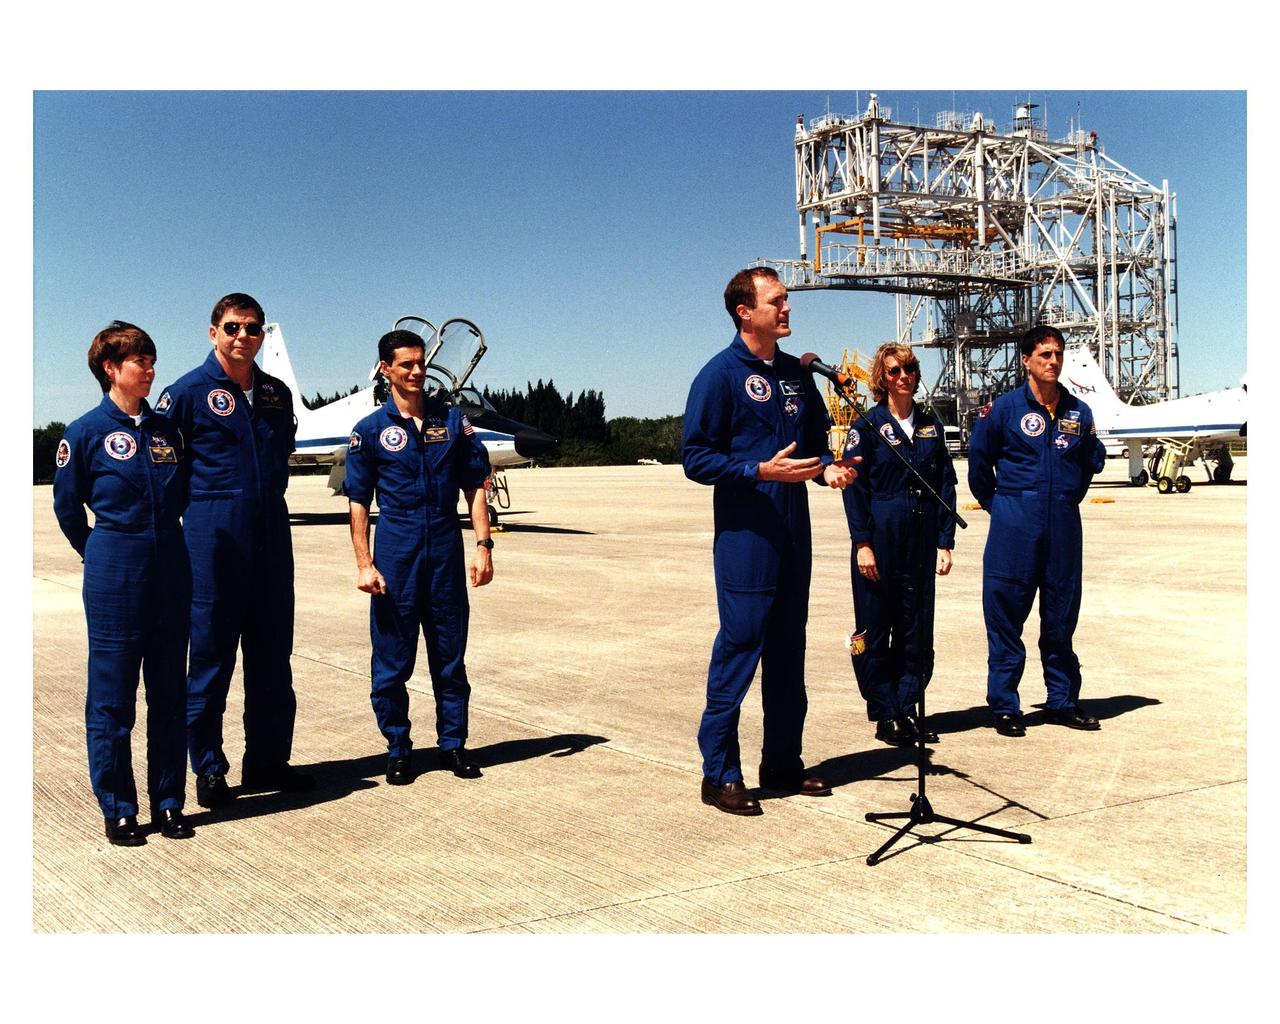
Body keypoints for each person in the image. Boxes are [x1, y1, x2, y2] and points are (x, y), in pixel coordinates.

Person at [682, 266, 857, 816]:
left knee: (789, 651)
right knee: (740, 648)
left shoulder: (793, 374)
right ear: (745, 311)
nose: (787, 309)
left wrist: (827, 467)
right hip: (746, 534)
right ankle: (720, 771)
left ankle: (782, 762)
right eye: (777, 301)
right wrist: (759, 470)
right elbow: (696, 458)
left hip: (792, 530)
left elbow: (812, 442)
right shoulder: (720, 375)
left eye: (786, 300)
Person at [155, 293, 312, 806]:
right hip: (212, 541)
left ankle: (268, 761)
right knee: (210, 658)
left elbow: (281, 457)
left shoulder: (275, 394)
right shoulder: (185, 394)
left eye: (253, 328)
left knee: (272, 659)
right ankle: (208, 768)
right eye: (233, 327)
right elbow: (163, 473)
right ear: (212, 332)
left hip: (271, 539)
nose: (243, 336)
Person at [53, 322, 194, 845]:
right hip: (115, 565)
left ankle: (169, 802)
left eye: (153, 360)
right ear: (111, 369)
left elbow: (179, 496)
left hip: (170, 565)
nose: (151, 369)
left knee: (169, 691)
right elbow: (68, 507)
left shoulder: (166, 432)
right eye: (141, 361)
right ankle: (118, 807)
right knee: (113, 697)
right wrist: (97, 550)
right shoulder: (84, 432)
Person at [345, 330, 494, 785]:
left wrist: (484, 546)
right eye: (405, 364)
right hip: (397, 553)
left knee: (450, 659)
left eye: (420, 363)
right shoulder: (370, 432)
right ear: (385, 369)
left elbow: (475, 486)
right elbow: (357, 501)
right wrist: (364, 563)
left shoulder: (452, 422)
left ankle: (453, 744)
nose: (415, 371)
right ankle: (398, 747)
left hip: (445, 550)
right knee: (392, 663)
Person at [967, 324, 1107, 736]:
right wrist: (1005, 508)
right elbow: (979, 467)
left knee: (1061, 617)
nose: (1053, 361)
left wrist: (1063, 502)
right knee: (1006, 619)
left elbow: (1085, 467)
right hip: (1014, 528)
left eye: (1057, 354)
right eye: (1044, 354)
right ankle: (1006, 706)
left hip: (1063, 528)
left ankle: (1062, 701)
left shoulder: (1079, 411)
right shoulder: (1004, 410)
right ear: (1026, 360)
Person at [842, 343, 957, 747]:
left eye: (908, 368)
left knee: (916, 628)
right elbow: (854, 492)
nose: (902, 376)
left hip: (921, 538)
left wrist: (945, 541)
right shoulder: (867, 427)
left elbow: (945, 484)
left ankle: (908, 706)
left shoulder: (931, 425)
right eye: (893, 371)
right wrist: (862, 544)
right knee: (876, 628)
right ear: (881, 378)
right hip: (881, 535)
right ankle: (884, 711)